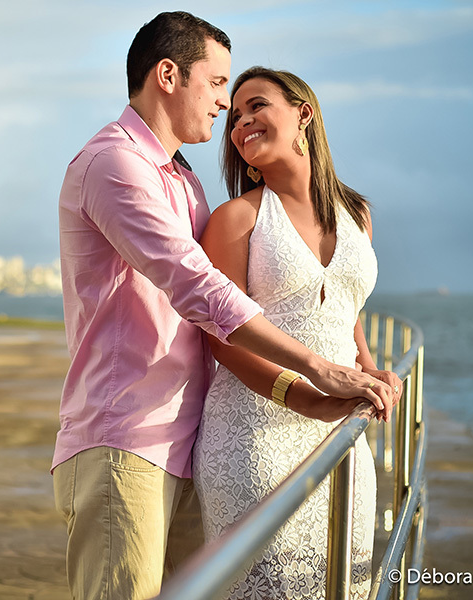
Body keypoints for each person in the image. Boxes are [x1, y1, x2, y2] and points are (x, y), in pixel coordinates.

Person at [53, 14, 395, 600]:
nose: (223, 107)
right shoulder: (115, 164)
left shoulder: (183, 181)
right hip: (126, 436)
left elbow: (334, 302)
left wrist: (357, 364)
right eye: (217, 86)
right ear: (168, 75)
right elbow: (197, 289)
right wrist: (315, 370)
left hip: (184, 437)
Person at [193, 67, 403, 599]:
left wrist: (369, 365)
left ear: (303, 114)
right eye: (234, 117)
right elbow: (221, 339)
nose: (241, 124)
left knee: (344, 582)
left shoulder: (357, 213)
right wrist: (309, 399)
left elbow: (345, 304)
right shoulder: (235, 219)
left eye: (256, 107)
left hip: (341, 431)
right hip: (255, 437)